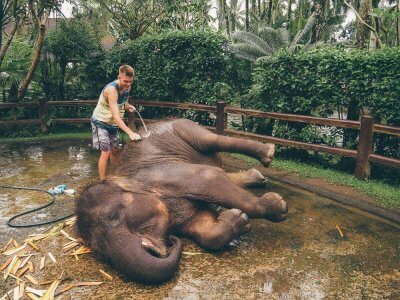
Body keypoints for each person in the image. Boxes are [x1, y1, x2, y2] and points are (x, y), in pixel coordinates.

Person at [91, 65, 141, 180]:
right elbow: (116, 115)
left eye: (130, 81)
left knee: (115, 150)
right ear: (119, 77)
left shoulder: (127, 87)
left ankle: (115, 177)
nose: (128, 84)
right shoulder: (111, 90)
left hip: (113, 124)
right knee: (106, 152)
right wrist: (130, 132)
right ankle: (102, 182)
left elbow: (123, 101)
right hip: (101, 122)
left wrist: (128, 106)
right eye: (125, 81)